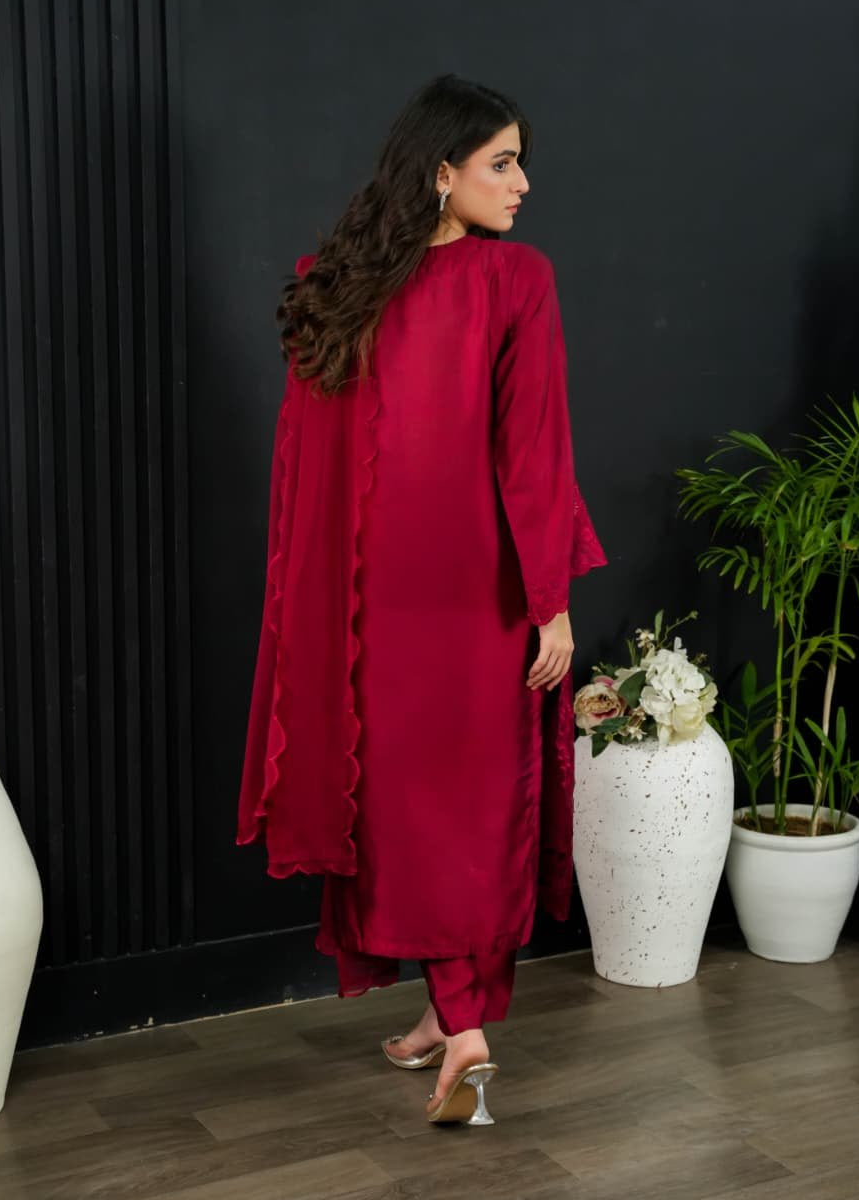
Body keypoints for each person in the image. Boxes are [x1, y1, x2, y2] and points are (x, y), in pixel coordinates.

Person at [235, 73, 608, 1126]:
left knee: (405, 812)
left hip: (370, 610)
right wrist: (551, 602)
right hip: (475, 597)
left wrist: (321, 619)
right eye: (502, 162)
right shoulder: (516, 282)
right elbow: (530, 455)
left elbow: (303, 469)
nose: (524, 183)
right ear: (441, 175)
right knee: (476, 812)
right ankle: (466, 1023)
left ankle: (454, 1021)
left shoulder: (331, 282)